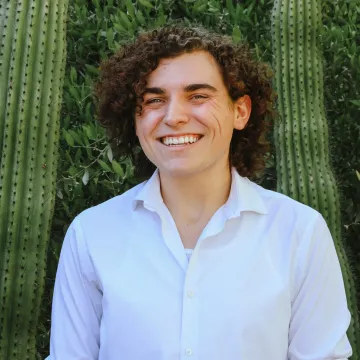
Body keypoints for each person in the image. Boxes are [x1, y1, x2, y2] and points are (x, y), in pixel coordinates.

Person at [46, 25, 352, 359]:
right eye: (154, 100)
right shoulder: (91, 234)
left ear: (240, 111)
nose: (174, 116)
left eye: (198, 96)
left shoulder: (299, 231)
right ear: (133, 118)